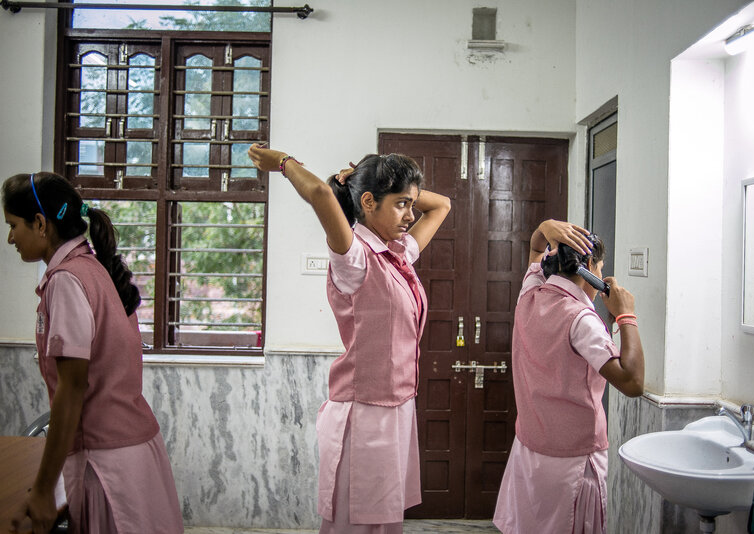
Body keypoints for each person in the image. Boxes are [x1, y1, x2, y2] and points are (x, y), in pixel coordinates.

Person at [248, 146, 451, 533]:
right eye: (401, 204)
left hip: (396, 408)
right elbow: (324, 195)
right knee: (357, 524)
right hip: (363, 415)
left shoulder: (398, 252)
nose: (411, 214)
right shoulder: (355, 258)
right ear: (369, 203)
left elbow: (441, 205)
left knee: (385, 522)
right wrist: (284, 163)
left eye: (411, 203)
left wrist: (373, 175)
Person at [4, 172, 183, 534]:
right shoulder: (95, 269)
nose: (10, 238)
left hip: (107, 466)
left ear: (40, 224)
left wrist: (41, 491)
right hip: (132, 452)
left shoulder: (68, 280)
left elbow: (71, 392)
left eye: (13, 226)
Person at [493, 219, 644, 534]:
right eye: (599, 269)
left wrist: (547, 226)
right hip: (572, 462)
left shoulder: (531, 293)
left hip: (530, 450)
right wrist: (626, 314)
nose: (601, 277)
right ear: (588, 266)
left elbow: (536, 246)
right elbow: (632, 383)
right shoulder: (581, 320)